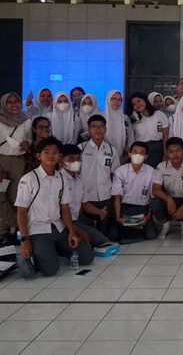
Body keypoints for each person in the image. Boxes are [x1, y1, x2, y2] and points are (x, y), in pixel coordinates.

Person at [15, 137, 93, 276]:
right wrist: (25, 241)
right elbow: (21, 212)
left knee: (87, 257)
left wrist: (72, 231)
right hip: (38, 230)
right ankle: (42, 252)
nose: (51, 155)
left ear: (60, 156)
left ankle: (53, 250)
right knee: (50, 270)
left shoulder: (61, 178)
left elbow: (65, 208)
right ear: (38, 156)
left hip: (59, 227)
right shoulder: (28, 179)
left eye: (55, 152)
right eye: (46, 152)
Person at [78, 115, 121, 237]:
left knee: (109, 234)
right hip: (86, 197)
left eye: (101, 126)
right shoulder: (80, 149)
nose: (98, 129)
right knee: (88, 232)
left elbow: (115, 174)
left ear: (105, 129)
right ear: (89, 130)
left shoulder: (111, 150)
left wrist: (114, 196)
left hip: (106, 196)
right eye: (94, 127)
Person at [60, 144, 108, 247]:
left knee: (102, 240)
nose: (75, 162)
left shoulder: (80, 180)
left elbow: (85, 204)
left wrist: (100, 212)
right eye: (71, 159)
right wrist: (73, 229)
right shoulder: (58, 179)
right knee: (86, 246)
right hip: (61, 223)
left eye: (78, 159)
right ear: (61, 160)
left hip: (76, 221)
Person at [111, 141, 157, 241]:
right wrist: (118, 217)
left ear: (146, 156)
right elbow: (117, 197)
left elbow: (153, 198)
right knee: (113, 236)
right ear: (129, 154)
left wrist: (147, 217)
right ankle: (133, 228)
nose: (138, 155)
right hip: (125, 209)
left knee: (151, 235)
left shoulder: (152, 172)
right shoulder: (120, 171)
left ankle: (138, 227)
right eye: (135, 152)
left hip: (143, 209)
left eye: (141, 153)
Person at [152, 137, 183, 238]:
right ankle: (165, 224)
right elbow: (155, 190)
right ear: (167, 153)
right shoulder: (161, 167)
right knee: (155, 202)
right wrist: (168, 199)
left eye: (178, 150)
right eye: (171, 151)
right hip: (169, 199)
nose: (175, 154)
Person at [0, 92, 32, 238]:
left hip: (18, 162)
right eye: (10, 102)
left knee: (14, 196)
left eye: (16, 101)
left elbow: (29, 139)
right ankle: (6, 229)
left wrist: (27, 143)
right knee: (1, 195)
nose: (14, 105)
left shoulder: (26, 120)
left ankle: (11, 232)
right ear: (4, 104)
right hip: (2, 161)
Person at [128, 92, 169, 168]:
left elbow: (165, 136)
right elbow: (131, 139)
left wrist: (165, 153)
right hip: (141, 151)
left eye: (139, 101)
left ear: (145, 100)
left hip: (159, 149)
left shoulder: (159, 114)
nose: (137, 105)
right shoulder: (133, 120)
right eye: (134, 104)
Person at [104, 90, 133, 158]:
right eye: (113, 98)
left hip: (122, 154)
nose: (116, 101)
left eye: (119, 99)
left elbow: (130, 135)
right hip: (104, 153)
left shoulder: (125, 118)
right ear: (108, 100)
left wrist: (129, 150)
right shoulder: (101, 117)